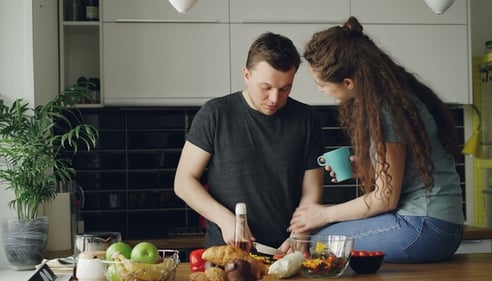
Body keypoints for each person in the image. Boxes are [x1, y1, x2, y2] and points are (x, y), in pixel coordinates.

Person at [288, 17, 464, 263]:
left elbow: (385, 198)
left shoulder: (385, 110)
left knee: (313, 242)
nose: (320, 90)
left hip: (423, 227)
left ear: (348, 83)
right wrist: (366, 169)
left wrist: (323, 214)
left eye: (321, 84)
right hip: (438, 225)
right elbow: (400, 177)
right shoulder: (395, 97)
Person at [174, 32, 325, 251]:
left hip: (285, 254)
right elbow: (183, 182)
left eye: (285, 88)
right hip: (227, 253)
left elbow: (312, 190)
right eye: (266, 87)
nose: (275, 98)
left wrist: (300, 233)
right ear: (246, 75)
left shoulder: (307, 119)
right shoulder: (215, 114)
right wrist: (225, 220)